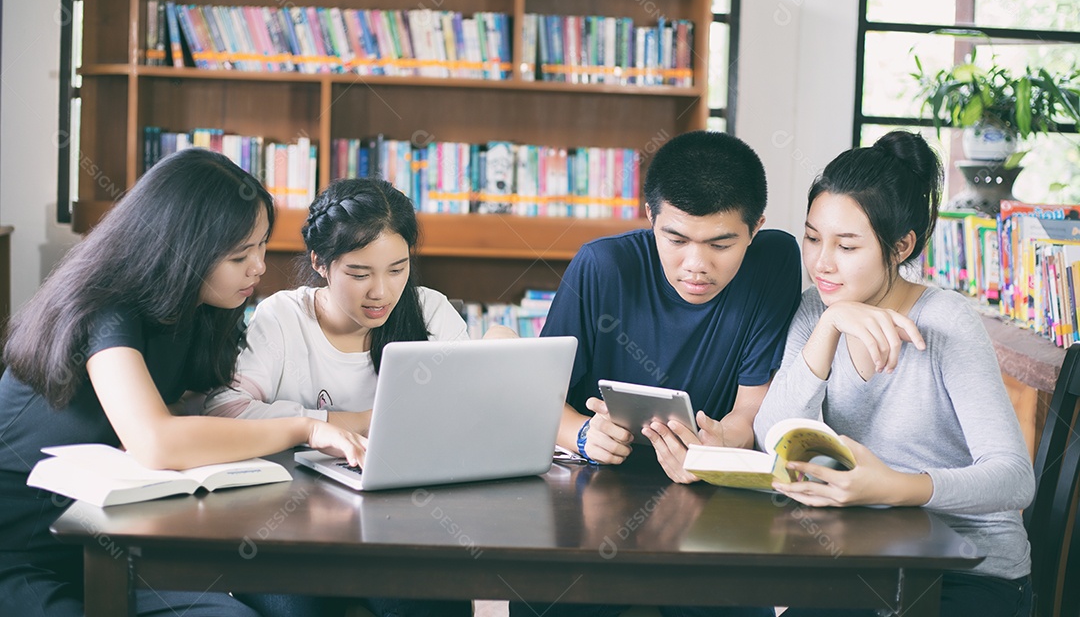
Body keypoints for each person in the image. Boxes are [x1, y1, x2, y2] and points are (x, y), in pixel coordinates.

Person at [0, 149, 366, 617]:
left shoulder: (197, 311)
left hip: (109, 539)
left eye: (261, 246)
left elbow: (206, 412)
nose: (258, 267)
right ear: (182, 250)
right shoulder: (105, 311)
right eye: (240, 255)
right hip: (22, 550)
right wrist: (307, 427)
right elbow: (155, 440)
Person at [515, 131, 800, 617]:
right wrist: (583, 435)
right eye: (676, 238)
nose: (696, 265)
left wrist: (719, 447)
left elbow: (752, 405)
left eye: (721, 243)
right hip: (594, 491)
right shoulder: (602, 266)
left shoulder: (774, 261)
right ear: (650, 218)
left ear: (755, 229)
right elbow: (534, 397)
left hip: (710, 500)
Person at [753, 130, 1034, 617]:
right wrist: (830, 326)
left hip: (969, 573)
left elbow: (1013, 480)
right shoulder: (816, 310)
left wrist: (895, 488)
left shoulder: (947, 321)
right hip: (868, 559)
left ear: (901, 246)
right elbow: (771, 436)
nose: (822, 262)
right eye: (813, 237)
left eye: (847, 246)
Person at [204, 177, 483, 617]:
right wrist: (353, 422)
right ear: (320, 262)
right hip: (292, 529)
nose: (381, 291)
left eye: (397, 269)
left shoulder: (428, 311)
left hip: (403, 527)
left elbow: (472, 410)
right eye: (359, 273)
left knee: (428, 603)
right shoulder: (284, 317)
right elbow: (226, 411)